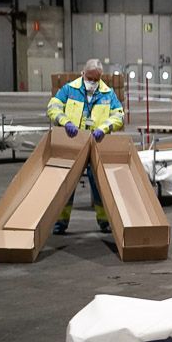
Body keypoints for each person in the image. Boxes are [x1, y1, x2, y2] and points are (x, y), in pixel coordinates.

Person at [47, 58, 124, 234]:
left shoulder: (108, 94)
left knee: (98, 183)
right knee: (67, 184)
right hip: (74, 143)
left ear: (101, 77)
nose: (93, 83)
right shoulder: (69, 89)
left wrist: (104, 129)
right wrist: (65, 122)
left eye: (96, 79)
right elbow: (53, 107)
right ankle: (61, 221)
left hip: (96, 144)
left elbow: (119, 116)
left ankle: (104, 221)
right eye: (90, 78)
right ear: (83, 73)